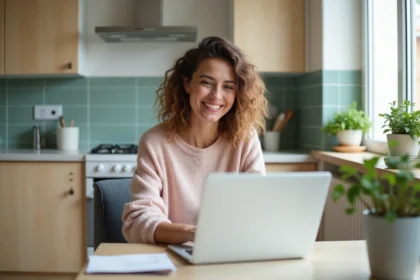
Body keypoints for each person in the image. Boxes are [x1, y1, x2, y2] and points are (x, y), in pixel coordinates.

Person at [122, 36, 268, 245]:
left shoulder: (245, 139)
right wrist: (193, 234)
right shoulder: (155, 142)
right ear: (187, 83)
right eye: (207, 83)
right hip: (172, 258)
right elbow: (138, 221)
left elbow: (258, 206)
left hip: (230, 254)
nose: (216, 95)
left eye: (228, 86)